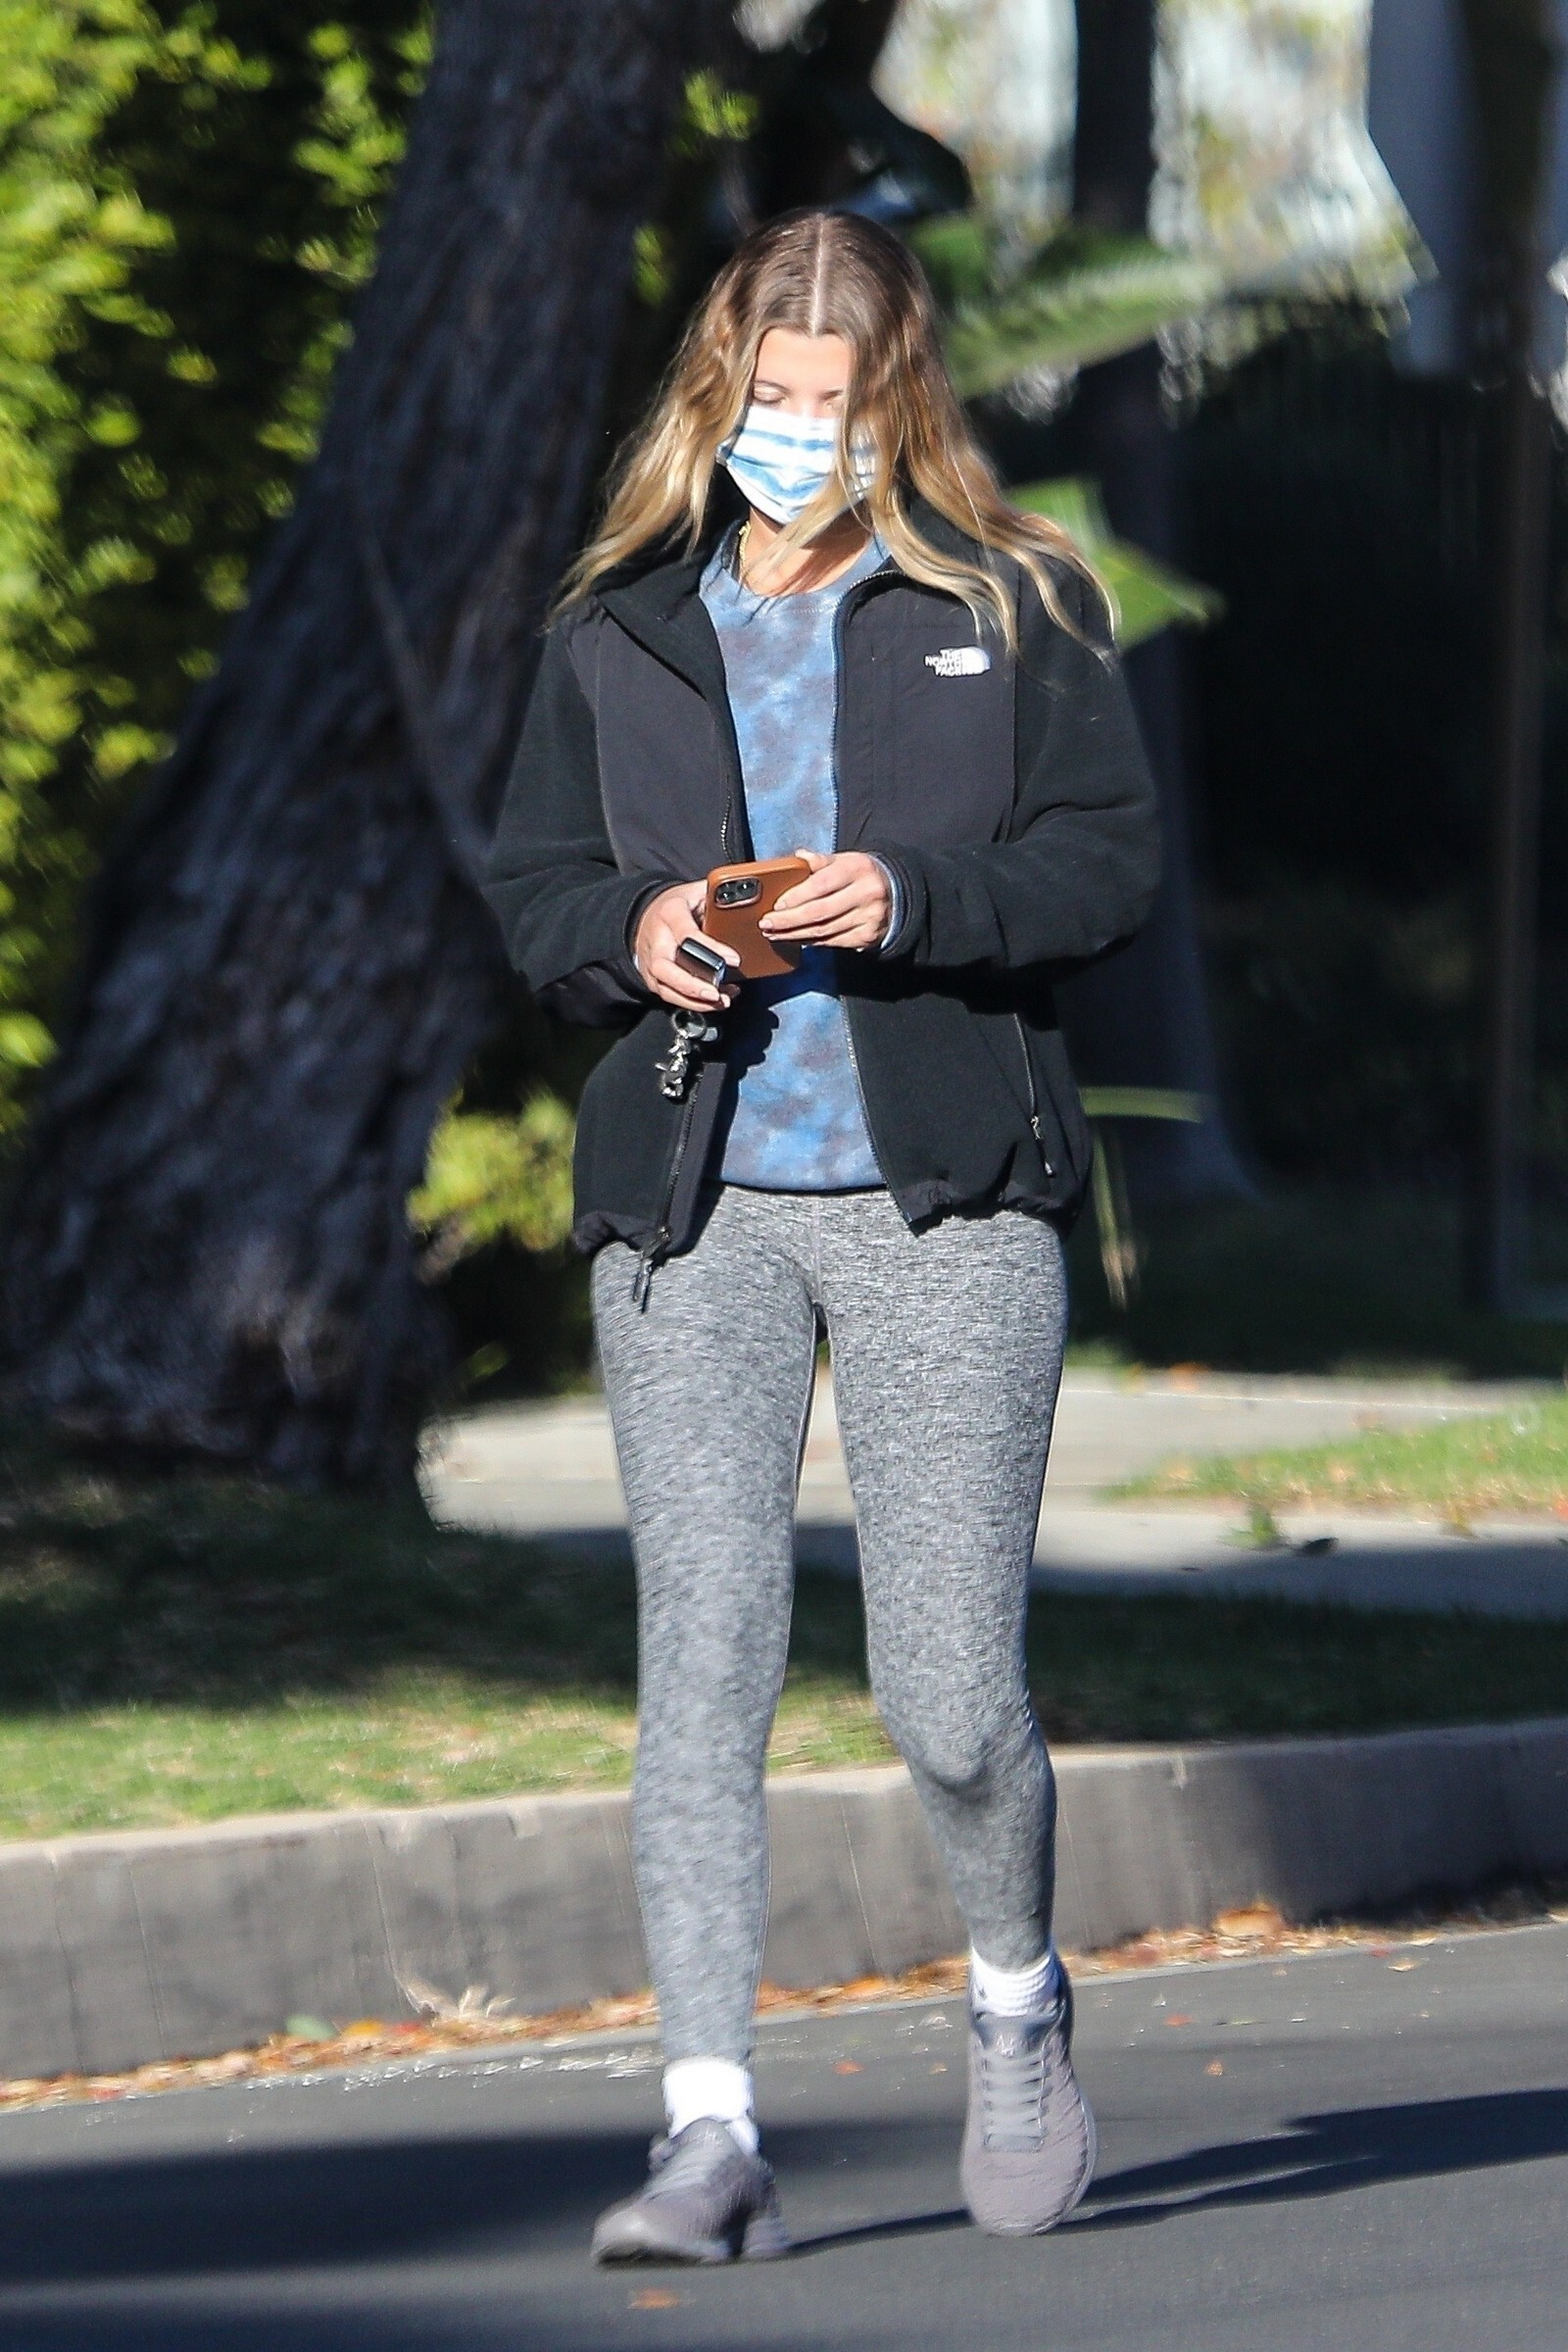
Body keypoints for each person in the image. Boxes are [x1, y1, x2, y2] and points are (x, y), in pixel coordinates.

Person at [483, 207, 1159, 2262]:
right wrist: (635, 931)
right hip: (689, 1213)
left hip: (940, 1200)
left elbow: (1105, 866)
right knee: (701, 1669)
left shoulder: (1007, 597)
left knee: (947, 1699)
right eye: (768, 396)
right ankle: (707, 2130)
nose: (796, 432)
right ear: (718, 389)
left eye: (833, 400)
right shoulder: (621, 622)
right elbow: (533, 892)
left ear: (897, 400)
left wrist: (914, 898)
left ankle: (1015, 2000)